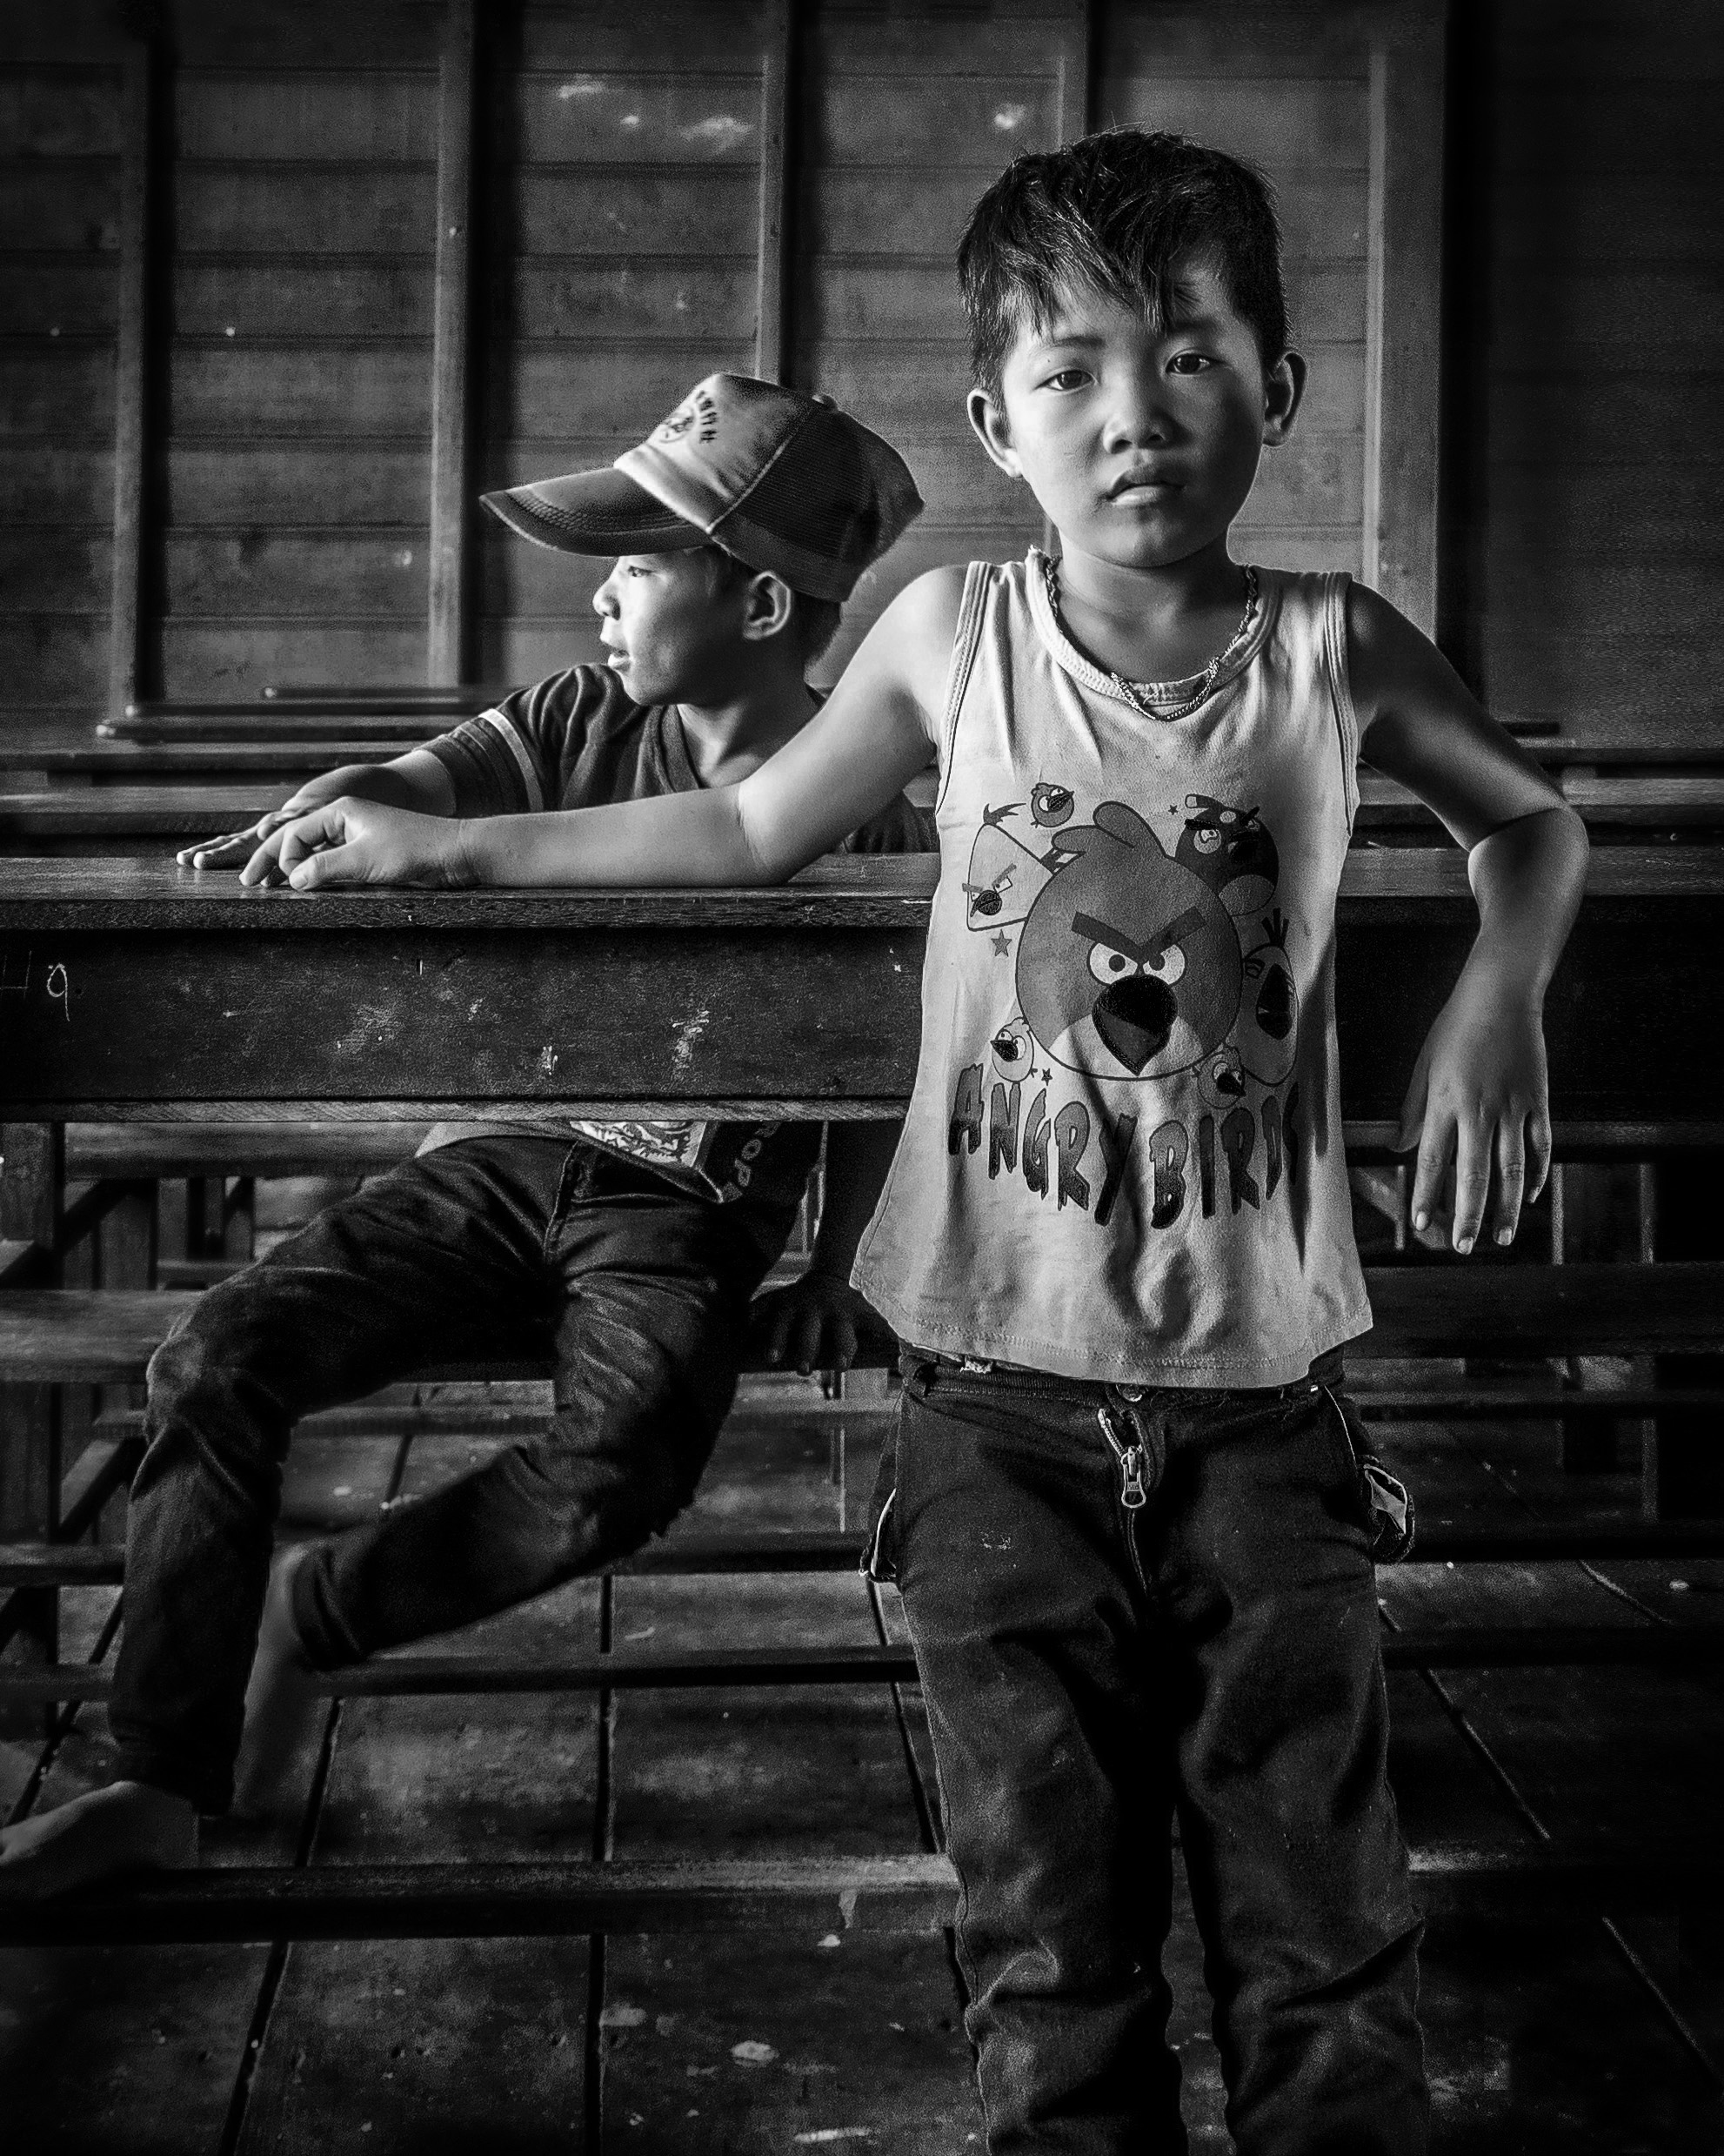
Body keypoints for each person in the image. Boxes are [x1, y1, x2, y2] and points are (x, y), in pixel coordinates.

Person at [115, 131, 1591, 2154]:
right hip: (991, 1398)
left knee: (1322, 1944)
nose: (1132, 412)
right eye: (1068, 370)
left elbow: (1532, 819)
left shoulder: (1333, 650)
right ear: (998, 420)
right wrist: (437, 833)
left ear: (1276, 390)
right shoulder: (943, 632)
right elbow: (737, 830)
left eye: (1186, 353)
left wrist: (1499, 995)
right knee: (1049, 1952)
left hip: (1266, 1393)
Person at [0, 375, 930, 1898]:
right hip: (492, 1162)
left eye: (639, 566)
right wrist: (331, 807)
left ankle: (334, 1600)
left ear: (759, 602)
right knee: (219, 1351)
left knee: (623, 1458)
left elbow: (880, 1059)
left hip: (684, 1210)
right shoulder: (571, 717)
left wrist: (845, 1256)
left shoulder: (870, 808)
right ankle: (149, 1775)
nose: (603, 602)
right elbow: (413, 789)